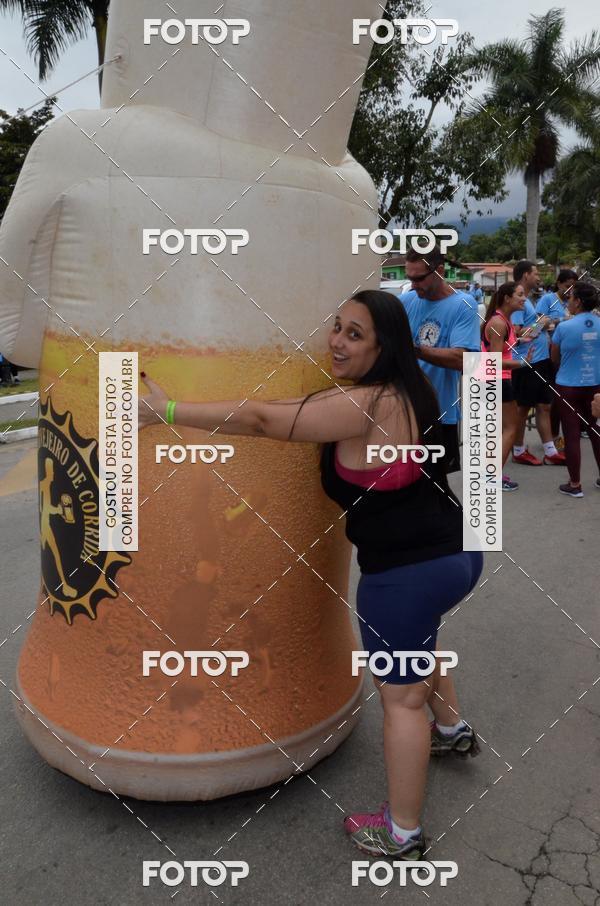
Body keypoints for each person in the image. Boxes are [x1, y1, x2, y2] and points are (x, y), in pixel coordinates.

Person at [138, 289, 484, 860]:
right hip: (456, 553)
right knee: (421, 639)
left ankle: (402, 832)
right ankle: (450, 728)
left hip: (407, 572)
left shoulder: (365, 403)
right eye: (337, 328)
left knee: (399, 701)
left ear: (384, 344)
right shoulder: (412, 390)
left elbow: (259, 417)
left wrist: (165, 411)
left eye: (355, 335)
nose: (337, 342)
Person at [397, 246, 481, 474]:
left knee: (436, 487)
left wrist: (414, 350)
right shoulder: (405, 302)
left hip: (440, 413)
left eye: (420, 278)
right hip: (402, 411)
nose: (414, 285)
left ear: (440, 271)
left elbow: (464, 359)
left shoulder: (463, 305)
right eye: (410, 278)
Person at [510, 260, 567, 466]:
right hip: (526, 362)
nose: (539, 277)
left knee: (544, 406)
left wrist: (543, 323)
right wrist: (540, 323)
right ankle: (518, 449)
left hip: (541, 360)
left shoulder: (528, 300)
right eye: (535, 273)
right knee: (523, 408)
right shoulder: (518, 301)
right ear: (525, 275)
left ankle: (550, 451)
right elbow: (515, 332)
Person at [481, 282, 534, 491]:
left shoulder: (503, 321)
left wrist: (520, 341)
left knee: (499, 430)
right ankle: (492, 477)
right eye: (520, 295)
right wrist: (522, 363)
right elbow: (493, 360)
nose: (524, 299)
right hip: (495, 379)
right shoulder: (499, 323)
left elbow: (500, 348)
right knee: (511, 428)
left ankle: (489, 473)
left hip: (494, 379)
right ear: (506, 298)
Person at [550, 281, 600, 497]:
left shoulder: (563, 327)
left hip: (568, 385)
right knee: (596, 430)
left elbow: (554, 357)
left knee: (571, 435)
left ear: (578, 302)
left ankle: (575, 484)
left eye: (570, 298)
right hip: (596, 384)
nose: (568, 302)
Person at [536, 269, 578, 451]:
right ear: (559, 283)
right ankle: (553, 436)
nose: (570, 290)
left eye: (573, 287)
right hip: (550, 352)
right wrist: (563, 319)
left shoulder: (572, 301)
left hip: (568, 354)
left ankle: (560, 435)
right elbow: (538, 323)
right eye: (567, 286)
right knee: (552, 397)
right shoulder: (547, 299)